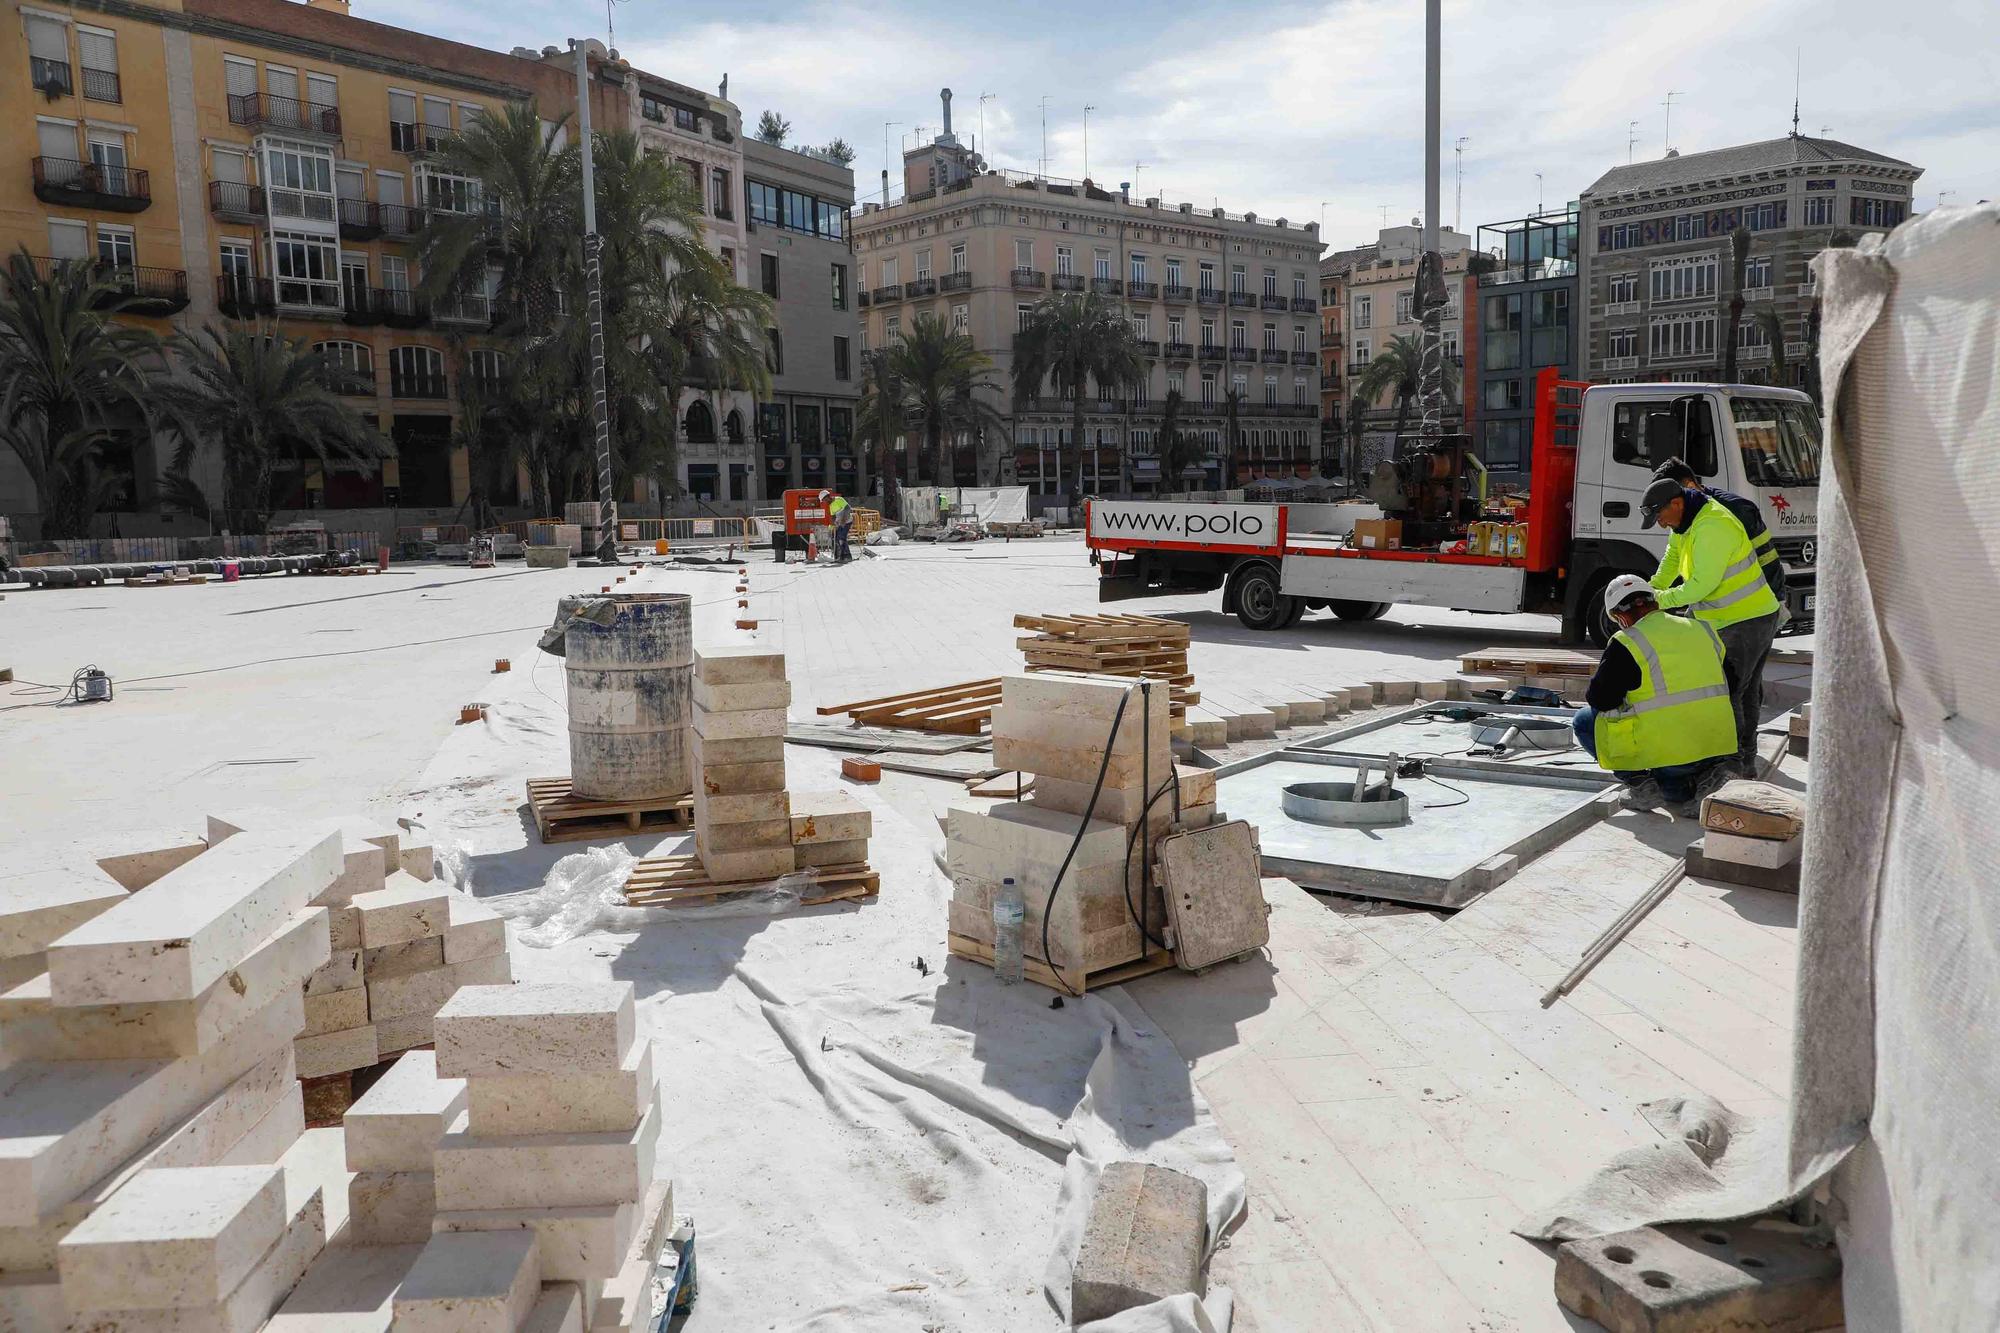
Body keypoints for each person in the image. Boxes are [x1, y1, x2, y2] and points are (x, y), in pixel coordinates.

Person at [1640, 475, 1783, 776]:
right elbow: (1670, 563)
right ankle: (1742, 763)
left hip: (1748, 619)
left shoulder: (1713, 525)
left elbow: (1700, 586)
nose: (1661, 524)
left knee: (1728, 692)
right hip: (1726, 617)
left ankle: (1732, 766)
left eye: (1661, 516)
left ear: (1676, 504)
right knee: (1739, 692)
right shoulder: (1685, 523)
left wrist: (1656, 603)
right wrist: (1645, 592)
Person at [1574, 575, 1738, 813]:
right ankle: (1706, 780)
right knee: (1678, 786)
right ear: (1655, 602)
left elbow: (1600, 700)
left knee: (1585, 720)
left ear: (1620, 616)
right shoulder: (1703, 629)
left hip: (1670, 759)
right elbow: (1732, 684)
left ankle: (1642, 785)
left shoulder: (1628, 641)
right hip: (1715, 748)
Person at [1651, 457, 1785, 600]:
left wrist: (1777, 600)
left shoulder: (1738, 510)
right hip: (1715, 603)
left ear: (1689, 486)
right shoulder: (1682, 514)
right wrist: (1653, 589)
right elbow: (1673, 556)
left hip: (1751, 605)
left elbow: (1766, 557)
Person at [820, 487, 853, 563]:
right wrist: (831, 527)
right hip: (840, 524)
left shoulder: (839, 499)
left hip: (847, 521)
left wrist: (843, 521)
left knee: (841, 537)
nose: (824, 502)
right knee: (837, 538)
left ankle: (847, 556)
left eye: (824, 500)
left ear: (827, 497)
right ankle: (841, 556)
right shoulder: (831, 506)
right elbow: (833, 517)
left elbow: (848, 508)